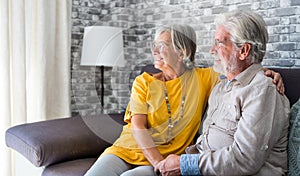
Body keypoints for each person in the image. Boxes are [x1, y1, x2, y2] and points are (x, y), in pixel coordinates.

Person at [85, 24, 283, 176]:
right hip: (128, 149)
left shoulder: (204, 78)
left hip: (170, 157)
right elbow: (138, 126)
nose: (155, 50)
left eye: (162, 45)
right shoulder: (143, 81)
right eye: (154, 45)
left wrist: (267, 73)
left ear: (182, 52)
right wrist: (158, 165)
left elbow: (239, 71)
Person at [155, 10, 290, 176]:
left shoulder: (263, 90)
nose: (212, 50)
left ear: (243, 51)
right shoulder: (221, 85)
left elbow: (245, 159)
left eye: (219, 43)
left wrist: (184, 164)